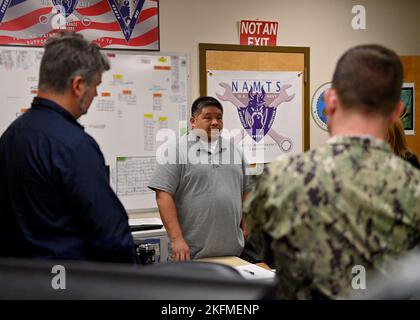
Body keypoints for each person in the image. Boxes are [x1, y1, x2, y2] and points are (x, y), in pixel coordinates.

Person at [244, 44, 420, 299]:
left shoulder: (279, 178)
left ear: (330, 101)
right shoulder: (413, 186)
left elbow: (262, 249)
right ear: (397, 111)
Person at [0, 32, 137, 264]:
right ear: (78, 85)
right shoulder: (74, 146)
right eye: (95, 86)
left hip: (19, 284)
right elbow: (113, 238)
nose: (96, 94)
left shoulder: (11, 136)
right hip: (68, 284)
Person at [148, 96, 252, 261]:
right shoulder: (175, 150)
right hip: (189, 255)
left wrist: (247, 224)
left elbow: (246, 191)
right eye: (208, 117)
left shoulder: (235, 151)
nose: (215, 122)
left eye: (219, 117)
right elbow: (163, 195)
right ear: (193, 121)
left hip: (233, 253)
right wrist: (176, 239)